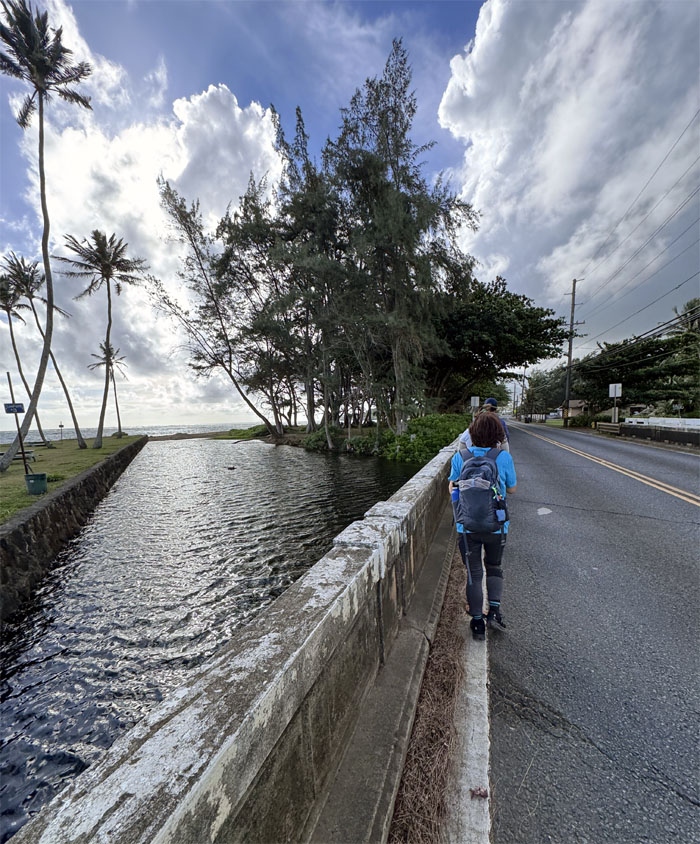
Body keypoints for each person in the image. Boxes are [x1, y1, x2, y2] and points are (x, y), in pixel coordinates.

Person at [449, 411, 517, 640]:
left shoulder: (461, 456)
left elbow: (452, 488)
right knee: (494, 566)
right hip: (496, 526)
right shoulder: (503, 458)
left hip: (466, 528)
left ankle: (477, 622)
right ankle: (495, 611)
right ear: (498, 434)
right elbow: (512, 488)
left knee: (474, 573)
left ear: (472, 433)